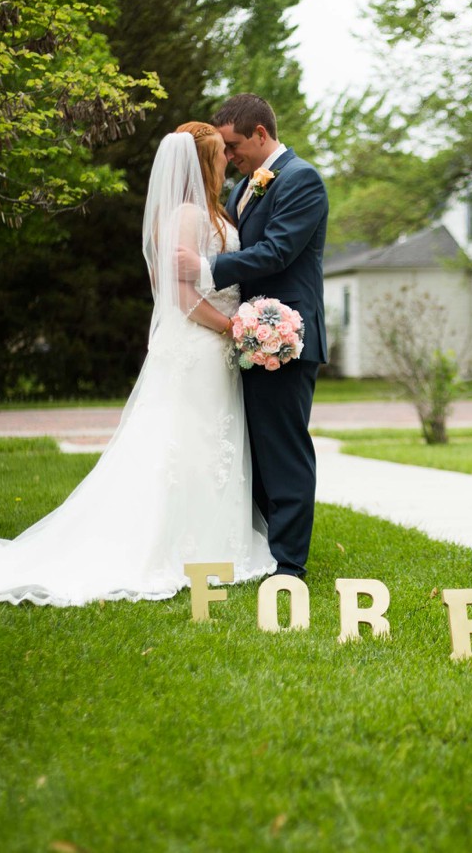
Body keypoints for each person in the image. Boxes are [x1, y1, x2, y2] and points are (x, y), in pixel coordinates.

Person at [0, 124, 275, 606]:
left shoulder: (210, 211)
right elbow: (182, 297)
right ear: (198, 164)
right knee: (184, 445)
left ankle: (215, 543)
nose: (223, 164)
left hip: (210, 352)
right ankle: (178, 547)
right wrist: (232, 328)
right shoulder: (189, 216)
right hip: (198, 344)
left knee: (206, 444)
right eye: (216, 157)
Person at [199, 93, 328, 580]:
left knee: (284, 449)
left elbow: (276, 252)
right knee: (253, 447)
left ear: (260, 133)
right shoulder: (246, 187)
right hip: (248, 337)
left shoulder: (301, 180)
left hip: (284, 337)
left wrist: (206, 268)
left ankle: (290, 565)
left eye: (233, 146)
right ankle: (266, 548)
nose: (228, 156)